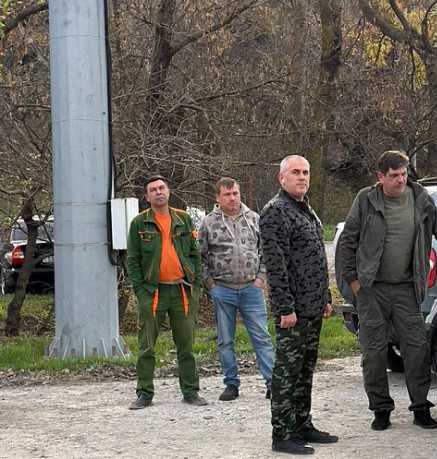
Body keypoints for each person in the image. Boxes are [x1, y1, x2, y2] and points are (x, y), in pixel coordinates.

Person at [336, 150, 437, 431]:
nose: (400, 180)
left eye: (404, 174)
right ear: (380, 177)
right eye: (394, 175)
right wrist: (354, 283)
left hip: (407, 288)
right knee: (373, 352)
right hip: (372, 289)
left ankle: (420, 406)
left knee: (417, 348)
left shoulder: (420, 199)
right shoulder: (366, 200)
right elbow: (347, 242)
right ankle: (381, 409)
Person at [261, 155, 338, 455]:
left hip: (312, 305)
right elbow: (276, 266)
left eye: (306, 172)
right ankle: (282, 433)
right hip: (292, 309)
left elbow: (318, 258)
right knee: (286, 372)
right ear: (282, 178)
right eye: (295, 172)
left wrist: (326, 298)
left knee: (305, 370)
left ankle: (302, 423)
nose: (302, 177)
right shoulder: (275, 212)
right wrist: (284, 309)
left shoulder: (305, 209)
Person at [127, 175, 208, 409]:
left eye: (162, 188)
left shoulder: (183, 219)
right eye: (153, 190)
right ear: (147, 196)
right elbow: (132, 260)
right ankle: (144, 393)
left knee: (186, 345)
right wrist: (141, 290)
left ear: (169, 191)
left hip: (182, 290)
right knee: (146, 346)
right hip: (152, 292)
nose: (158, 192)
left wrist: (197, 285)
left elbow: (195, 255)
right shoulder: (139, 223)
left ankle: (191, 392)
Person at [199, 177, 275, 402]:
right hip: (223, 289)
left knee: (261, 337)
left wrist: (261, 278)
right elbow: (199, 257)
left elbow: (266, 251)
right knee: (225, 340)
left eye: (235, 193)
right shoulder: (208, 223)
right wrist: (210, 285)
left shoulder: (254, 219)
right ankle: (231, 383)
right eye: (227, 194)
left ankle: (272, 382)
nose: (233, 198)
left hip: (252, 288)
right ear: (218, 197)